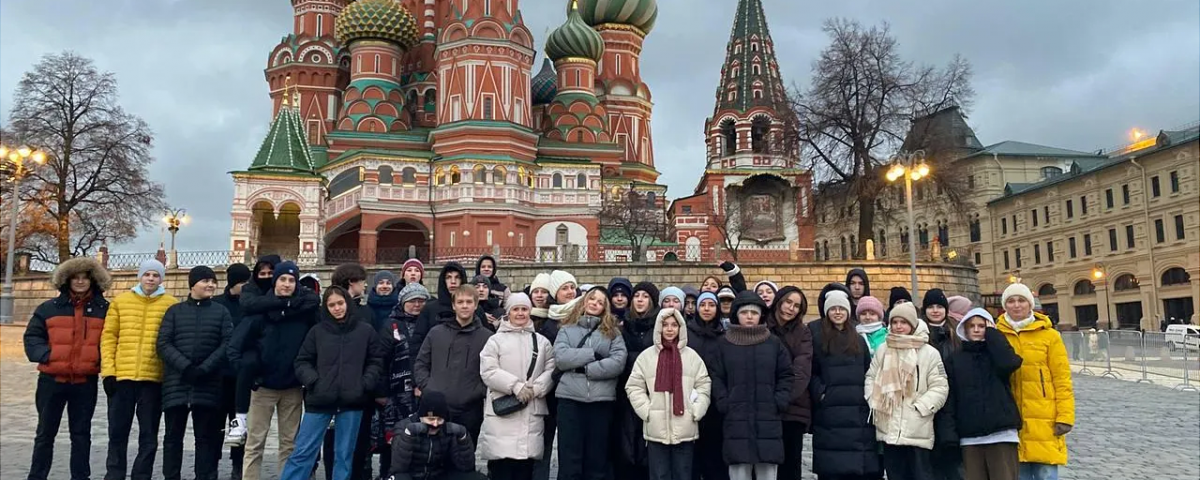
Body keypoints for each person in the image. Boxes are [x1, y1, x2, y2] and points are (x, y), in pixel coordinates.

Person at [280, 286, 386, 480]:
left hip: (352, 400)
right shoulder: (317, 331)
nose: (337, 308)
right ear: (326, 308)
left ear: (347, 303)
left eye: (340, 303)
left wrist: (364, 384)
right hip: (319, 399)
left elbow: (376, 361)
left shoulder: (365, 331)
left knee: (344, 455)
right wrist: (314, 381)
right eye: (331, 305)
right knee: (303, 452)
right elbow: (302, 361)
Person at [25, 257, 111, 480]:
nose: (80, 282)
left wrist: (98, 360)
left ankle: (81, 476)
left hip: (85, 381)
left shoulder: (105, 310)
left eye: (85, 278)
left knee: (81, 434)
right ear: (67, 280)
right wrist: (47, 356)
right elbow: (33, 337)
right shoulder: (48, 308)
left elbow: (112, 339)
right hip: (51, 380)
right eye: (76, 278)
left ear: (93, 281)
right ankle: (37, 476)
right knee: (45, 433)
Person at [236, 261, 321, 480]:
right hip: (262, 386)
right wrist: (250, 372)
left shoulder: (304, 311)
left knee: (289, 443)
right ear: (275, 282)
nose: (286, 284)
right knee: (255, 443)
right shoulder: (260, 311)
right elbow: (239, 346)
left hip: (292, 386)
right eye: (282, 279)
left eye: (291, 280)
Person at [101, 259, 178, 480]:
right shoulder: (121, 301)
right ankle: (114, 475)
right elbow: (108, 338)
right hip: (122, 377)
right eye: (147, 275)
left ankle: (141, 475)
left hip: (153, 379)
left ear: (161, 278)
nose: (151, 279)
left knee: (149, 435)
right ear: (140, 276)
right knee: (117, 432)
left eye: (155, 275)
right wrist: (109, 371)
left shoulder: (170, 304)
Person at [156, 266, 233, 480]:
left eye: (213, 281)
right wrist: (186, 367)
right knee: (172, 438)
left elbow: (227, 344)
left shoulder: (221, 312)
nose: (210, 285)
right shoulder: (174, 311)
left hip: (208, 384)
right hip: (177, 383)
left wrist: (204, 369)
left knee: (206, 438)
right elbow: (163, 344)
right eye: (205, 281)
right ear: (192, 285)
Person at [710, 292, 793, 480]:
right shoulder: (724, 344)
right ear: (736, 315)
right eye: (744, 312)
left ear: (761, 316)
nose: (749, 316)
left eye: (754, 313)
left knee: (767, 472)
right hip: (735, 418)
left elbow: (786, 374)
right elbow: (715, 376)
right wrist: (724, 401)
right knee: (739, 471)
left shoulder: (773, 343)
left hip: (768, 418)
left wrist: (779, 401)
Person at [994, 284, 1074, 480]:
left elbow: (1062, 378)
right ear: (1005, 306)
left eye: (1021, 300)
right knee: (1018, 473)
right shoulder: (995, 334)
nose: (1016, 305)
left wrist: (1065, 416)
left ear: (1030, 304)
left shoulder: (1050, 336)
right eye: (1011, 301)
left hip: (1044, 416)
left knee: (1045, 473)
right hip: (1010, 416)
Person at [865, 302, 949, 480]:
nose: (898, 326)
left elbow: (940, 386)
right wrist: (873, 399)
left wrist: (921, 408)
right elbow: (871, 377)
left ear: (912, 325)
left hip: (918, 429)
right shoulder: (883, 349)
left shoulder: (929, 353)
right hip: (889, 427)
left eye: (903, 322)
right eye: (895, 322)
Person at [478, 293, 558, 480]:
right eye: (516, 309)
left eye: (524, 309)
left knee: (525, 468)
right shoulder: (495, 341)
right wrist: (515, 386)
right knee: (501, 468)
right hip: (503, 412)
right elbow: (488, 371)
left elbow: (551, 369)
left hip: (531, 409)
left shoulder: (542, 342)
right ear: (508, 312)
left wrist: (537, 389)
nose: (520, 313)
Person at [626, 308, 712, 480]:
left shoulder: (691, 356)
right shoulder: (647, 357)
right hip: (656, 430)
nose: (670, 329)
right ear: (659, 327)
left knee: (683, 474)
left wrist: (696, 410)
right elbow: (634, 386)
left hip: (685, 428)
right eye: (665, 325)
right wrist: (647, 410)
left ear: (681, 328)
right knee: (659, 475)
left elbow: (704, 384)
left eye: (674, 325)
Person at [554, 288, 628, 480]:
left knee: (597, 461)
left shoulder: (613, 333)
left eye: (600, 301)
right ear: (584, 301)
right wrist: (592, 355)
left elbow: (618, 362)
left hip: (600, 402)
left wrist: (587, 369)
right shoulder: (566, 329)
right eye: (592, 299)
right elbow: (561, 358)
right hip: (570, 401)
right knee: (570, 461)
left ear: (605, 308)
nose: (595, 303)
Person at [808, 289, 881, 480]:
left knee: (860, 466)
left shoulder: (858, 339)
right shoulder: (817, 337)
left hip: (858, 409)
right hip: (830, 411)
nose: (838, 312)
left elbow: (868, 370)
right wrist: (821, 393)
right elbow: (812, 371)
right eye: (833, 308)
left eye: (842, 308)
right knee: (833, 467)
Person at [946, 309, 1022, 480]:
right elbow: (951, 398)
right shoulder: (955, 359)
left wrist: (993, 335)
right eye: (971, 326)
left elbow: (1010, 363)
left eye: (981, 326)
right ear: (964, 328)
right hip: (970, 436)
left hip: (1001, 432)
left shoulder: (997, 353)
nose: (976, 329)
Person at [415, 284, 493, 445]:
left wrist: (477, 392)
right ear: (453, 305)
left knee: (465, 456)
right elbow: (421, 363)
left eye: (469, 302)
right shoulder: (436, 333)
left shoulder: (487, 337)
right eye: (460, 302)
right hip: (438, 408)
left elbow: (493, 371)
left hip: (470, 408)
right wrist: (429, 387)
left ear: (476, 305)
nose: (464, 306)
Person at [379, 282, 429, 476]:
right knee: (394, 440)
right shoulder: (391, 325)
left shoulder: (430, 324)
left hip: (423, 392)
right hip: (395, 394)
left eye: (421, 300)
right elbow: (380, 359)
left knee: (420, 439)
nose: (417, 304)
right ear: (403, 303)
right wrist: (381, 392)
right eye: (412, 300)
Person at [766, 287, 812, 480]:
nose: (790, 308)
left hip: (793, 408)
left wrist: (781, 399)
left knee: (790, 465)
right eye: (788, 302)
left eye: (796, 306)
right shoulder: (762, 326)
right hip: (763, 406)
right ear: (779, 301)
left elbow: (801, 371)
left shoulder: (803, 332)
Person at [389, 391, 486, 480]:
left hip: (438, 475)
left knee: (477, 478)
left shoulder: (448, 430)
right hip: (412, 476)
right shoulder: (402, 427)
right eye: (431, 419)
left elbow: (466, 467)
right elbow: (398, 467)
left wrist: (463, 438)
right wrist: (408, 436)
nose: (435, 424)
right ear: (421, 416)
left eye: (439, 419)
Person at [617, 283, 660, 480]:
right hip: (625, 391)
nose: (640, 299)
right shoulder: (622, 326)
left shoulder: (659, 326)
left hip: (653, 392)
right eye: (637, 296)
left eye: (645, 296)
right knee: (626, 443)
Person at [214, 263, 252, 478]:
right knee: (216, 425)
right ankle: (211, 464)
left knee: (241, 424)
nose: (246, 286)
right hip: (220, 375)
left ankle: (238, 467)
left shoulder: (251, 305)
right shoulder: (218, 305)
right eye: (242, 283)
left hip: (243, 377)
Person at [685, 292, 728, 480]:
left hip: (716, 403)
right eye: (703, 305)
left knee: (714, 455)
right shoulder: (686, 333)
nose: (707, 309)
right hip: (690, 400)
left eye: (711, 305)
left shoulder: (725, 336)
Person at [922, 288, 962, 480]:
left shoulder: (957, 333)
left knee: (954, 462)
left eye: (939, 306)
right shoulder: (919, 333)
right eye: (931, 307)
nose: (935, 310)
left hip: (954, 402)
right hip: (927, 403)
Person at [412, 262, 469, 364]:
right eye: (448, 277)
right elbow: (417, 345)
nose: (453, 282)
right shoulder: (430, 309)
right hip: (435, 369)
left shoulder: (473, 309)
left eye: (457, 277)